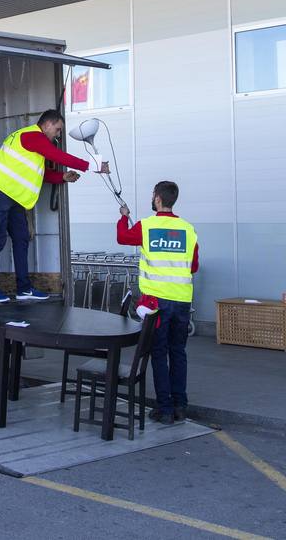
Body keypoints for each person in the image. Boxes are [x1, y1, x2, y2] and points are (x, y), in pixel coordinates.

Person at [0, 109, 108, 303]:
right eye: (57, 130)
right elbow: (57, 156)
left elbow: (41, 174)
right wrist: (93, 165)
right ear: (47, 124)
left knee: (21, 238)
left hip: (12, 196)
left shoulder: (31, 141)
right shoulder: (32, 135)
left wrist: (62, 177)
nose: (58, 134)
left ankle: (23, 289)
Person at [117, 181, 198, 424]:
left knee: (159, 354)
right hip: (182, 301)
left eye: (153, 195)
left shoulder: (146, 226)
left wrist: (123, 217)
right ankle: (180, 405)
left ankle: (164, 408)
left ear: (158, 199)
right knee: (179, 353)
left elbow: (122, 237)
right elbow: (193, 266)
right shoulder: (188, 229)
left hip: (157, 304)